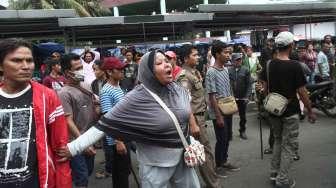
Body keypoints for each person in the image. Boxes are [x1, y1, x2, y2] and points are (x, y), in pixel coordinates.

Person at [57, 50, 201, 188]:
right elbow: (103, 126)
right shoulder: (137, 97)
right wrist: (73, 148)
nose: (167, 64)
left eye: (167, 61)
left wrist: (192, 123)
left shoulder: (176, 90)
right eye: (159, 63)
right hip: (156, 165)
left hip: (183, 158)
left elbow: (185, 107)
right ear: (148, 71)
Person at [0, 38, 71, 188]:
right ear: (1, 66)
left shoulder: (48, 97)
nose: (25, 66)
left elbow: (60, 149)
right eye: (17, 61)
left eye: (29, 60)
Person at [259, 31, 316, 188]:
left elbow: (264, 89)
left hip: (273, 111)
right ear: (291, 46)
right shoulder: (294, 66)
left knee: (278, 140)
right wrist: (310, 111)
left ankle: (274, 173)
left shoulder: (269, 64)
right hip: (290, 112)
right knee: (289, 145)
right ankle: (282, 180)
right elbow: (302, 92)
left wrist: (271, 102)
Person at [176, 45, 225, 188]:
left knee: (206, 151)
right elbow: (184, 103)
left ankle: (212, 180)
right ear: (185, 58)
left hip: (201, 117)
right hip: (195, 118)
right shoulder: (184, 76)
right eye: (194, 55)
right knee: (203, 152)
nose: (198, 57)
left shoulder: (194, 72)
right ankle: (214, 184)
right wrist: (193, 124)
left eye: (198, 55)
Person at [58, 53, 98, 188]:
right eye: (77, 69)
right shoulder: (64, 93)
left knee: (89, 171)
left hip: (89, 138)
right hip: (75, 142)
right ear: (66, 73)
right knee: (81, 178)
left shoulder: (86, 85)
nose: (81, 71)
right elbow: (67, 121)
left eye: (81, 67)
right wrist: (83, 144)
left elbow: (93, 111)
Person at [205, 40, 240, 175]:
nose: (228, 55)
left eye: (229, 52)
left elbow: (228, 90)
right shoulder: (211, 72)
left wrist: (233, 106)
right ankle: (218, 165)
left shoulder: (225, 69)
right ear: (217, 54)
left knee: (228, 137)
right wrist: (218, 116)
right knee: (221, 139)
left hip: (228, 109)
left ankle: (224, 160)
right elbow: (212, 96)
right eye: (225, 52)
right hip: (218, 112)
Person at [99, 57, 131, 187]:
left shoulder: (118, 86)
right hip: (117, 140)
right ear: (110, 72)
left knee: (124, 172)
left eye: (123, 69)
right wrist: (118, 141)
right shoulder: (106, 91)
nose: (122, 71)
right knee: (120, 175)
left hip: (124, 136)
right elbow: (109, 118)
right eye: (119, 69)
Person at [228, 53, 251, 140]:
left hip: (242, 97)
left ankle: (242, 131)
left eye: (240, 59)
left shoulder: (246, 70)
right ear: (233, 61)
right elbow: (228, 84)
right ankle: (229, 133)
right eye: (237, 60)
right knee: (229, 116)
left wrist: (247, 96)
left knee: (243, 116)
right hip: (232, 97)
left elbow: (249, 84)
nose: (239, 61)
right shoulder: (229, 71)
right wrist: (231, 95)